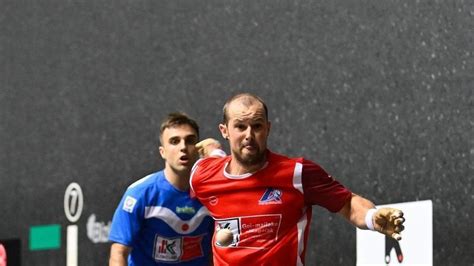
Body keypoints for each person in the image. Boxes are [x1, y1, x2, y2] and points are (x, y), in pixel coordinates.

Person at [190, 93, 405, 265]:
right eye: (240, 126)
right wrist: (213, 150)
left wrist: (372, 217)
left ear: (268, 129)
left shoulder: (297, 173)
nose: (249, 134)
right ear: (224, 130)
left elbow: (347, 203)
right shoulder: (203, 176)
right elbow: (213, 164)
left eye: (257, 126)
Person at [109, 112, 214, 266]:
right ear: (162, 152)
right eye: (174, 141)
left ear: (198, 149)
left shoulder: (211, 194)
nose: (183, 147)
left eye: (190, 140)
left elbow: (215, 253)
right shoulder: (139, 193)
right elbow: (119, 252)